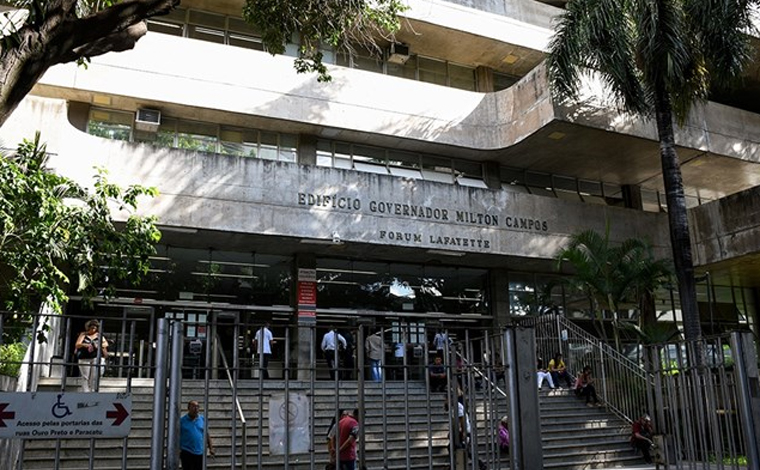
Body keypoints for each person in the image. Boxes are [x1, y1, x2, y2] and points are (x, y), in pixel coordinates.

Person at [75, 319, 109, 392]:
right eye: (91, 327)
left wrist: (97, 345)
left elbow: (106, 344)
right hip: (84, 357)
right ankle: (85, 392)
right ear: (88, 327)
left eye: (95, 327)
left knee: (94, 376)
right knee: (85, 376)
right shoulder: (83, 334)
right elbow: (77, 344)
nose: (93, 329)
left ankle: (93, 391)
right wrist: (85, 345)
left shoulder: (99, 335)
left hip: (95, 357)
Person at [179, 400, 214, 470]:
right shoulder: (182, 421)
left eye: (197, 407)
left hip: (199, 452)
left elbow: (206, 434)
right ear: (188, 408)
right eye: (193, 406)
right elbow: (177, 436)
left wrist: (211, 448)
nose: (195, 409)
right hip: (187, 451)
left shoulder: (202, 419)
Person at [337, 406, 360, 470]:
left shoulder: (341, 421)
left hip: (340, 457)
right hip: (349, 456)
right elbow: (350, 440)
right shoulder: (355, 424)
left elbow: (332, 436)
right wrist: (340, 449)